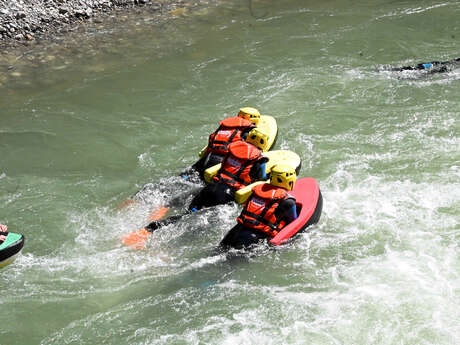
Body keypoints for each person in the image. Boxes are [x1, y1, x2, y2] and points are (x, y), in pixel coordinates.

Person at [146, 127, 271, 231]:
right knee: (192, 223)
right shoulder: (259, 159)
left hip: (210, 187)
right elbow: (261, 178)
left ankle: (151, 227)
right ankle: (155, 229)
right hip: (226, 194)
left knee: (187, 214)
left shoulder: (233, 148)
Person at [220, 164, 298, 249]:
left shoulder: (257, 190)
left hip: (235, 231)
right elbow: (294, 221)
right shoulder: (289, 202)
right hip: (254, 238)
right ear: (290, 181)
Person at [182, 107, 262, 180]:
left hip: (208, 156)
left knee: (187, 176)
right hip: (222, 159)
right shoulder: (246, 130)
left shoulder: (225, 125)